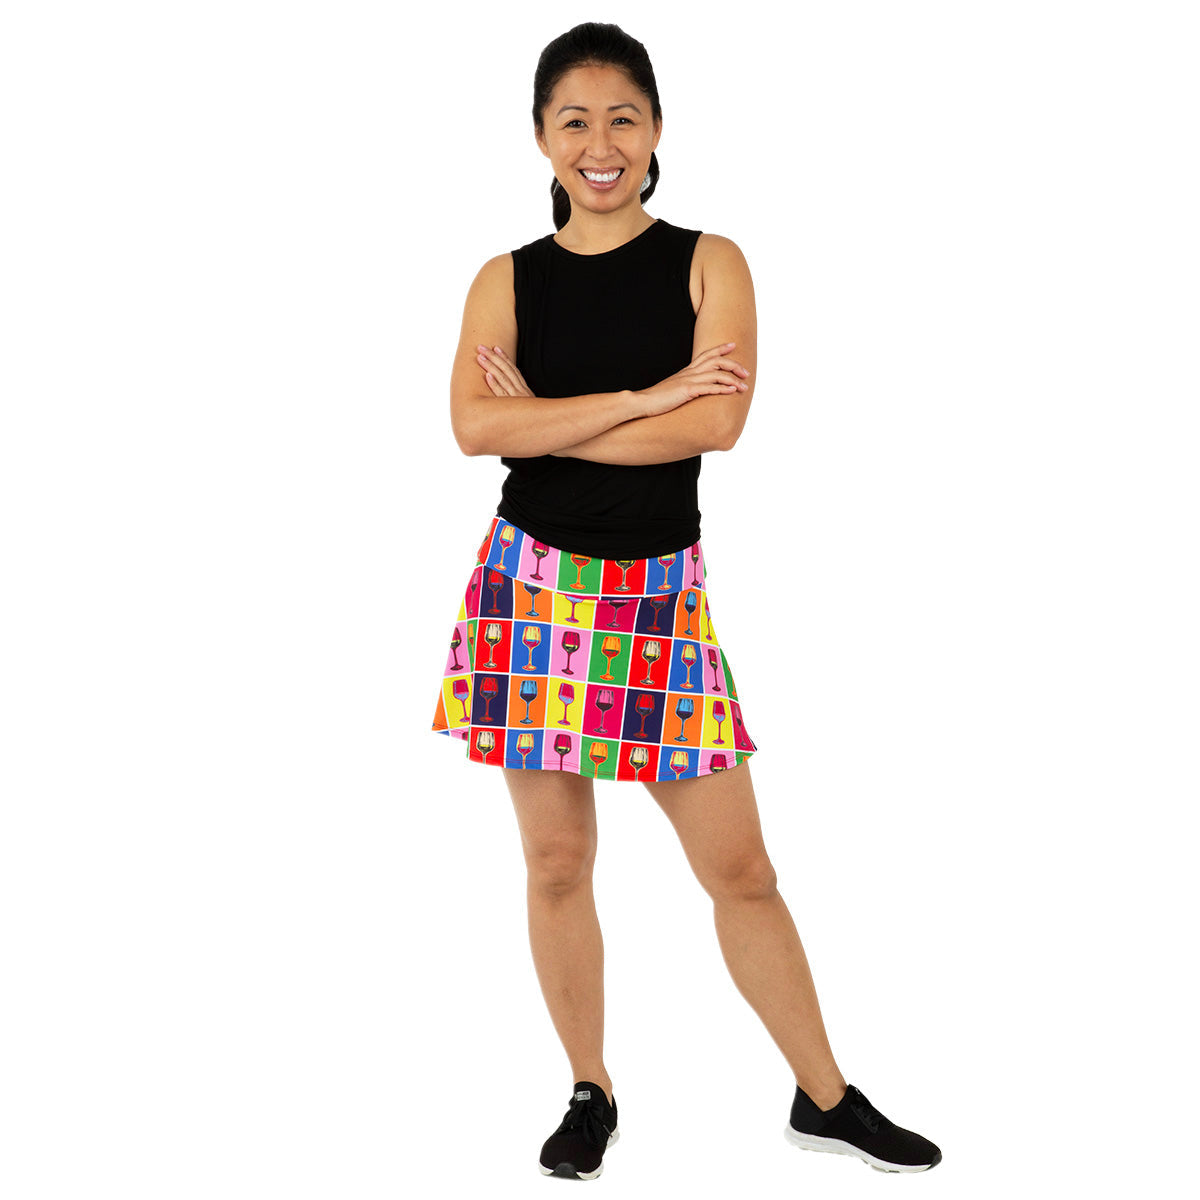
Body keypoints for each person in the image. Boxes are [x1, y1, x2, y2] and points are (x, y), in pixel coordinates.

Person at [430, 21, 941, 1181]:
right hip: (531, 592)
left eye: (623, 118)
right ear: (541, 138)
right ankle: (590, 1087)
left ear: (657, 129)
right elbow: (472, 430)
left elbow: (715, 425)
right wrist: (640, 394)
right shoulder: (501, 279)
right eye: (575, 121)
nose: (599, 144)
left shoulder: (713, 262)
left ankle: (825, 1096)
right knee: (556, 862)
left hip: (656, 602)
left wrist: (555, 415)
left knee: (741, 870)